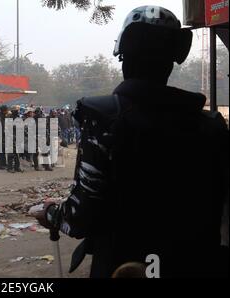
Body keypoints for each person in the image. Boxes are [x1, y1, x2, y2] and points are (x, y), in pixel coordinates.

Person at [35, 6, 229, 278]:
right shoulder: (212, 127)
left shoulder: (103, 119)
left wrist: (52, 213)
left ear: (124, 58)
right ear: (170, 63)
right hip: (196, 264)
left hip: (124, 267)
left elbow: (81, 217)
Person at [6, 105, 23, 173]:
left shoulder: (18, 117)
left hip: (17, 137)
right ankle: (10, 168)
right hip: (11, 137)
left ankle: (17, 167)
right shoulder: (9, 118)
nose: (17, 111)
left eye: (18, 110)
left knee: (17, 153)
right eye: (16, 110)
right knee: (11, 153)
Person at [0, 105, 9, 170]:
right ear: (4, 111)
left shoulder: (3, 117)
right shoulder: (1, 117)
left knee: (3, 150)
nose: (7, 111)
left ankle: (3, 163)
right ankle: (0, 165)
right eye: (6, 110)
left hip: (3, 136)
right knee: (1, 151)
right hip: (1, 136)